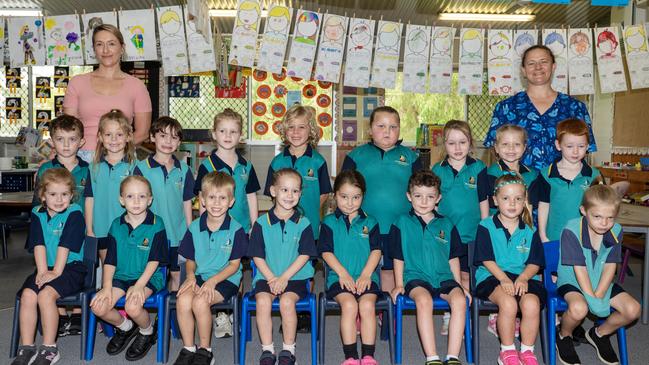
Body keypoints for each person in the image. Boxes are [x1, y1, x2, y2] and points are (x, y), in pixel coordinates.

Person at [342, 106, 423, 296]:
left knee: (389, 270)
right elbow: (344, 191)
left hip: (397, 226)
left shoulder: (410, 157)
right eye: (381, 126)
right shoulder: (356, 156)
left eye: (393, 127)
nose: (387, 131)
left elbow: (421, 190)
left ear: (400, 130)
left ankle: (386, 313)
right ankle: (361, 310)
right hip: (364, 226)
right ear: (370, 129)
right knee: (361, 268)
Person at [555, 185, 641, 365]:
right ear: (583, 211)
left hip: (600, 280)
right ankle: (564, 335)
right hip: (573, 280)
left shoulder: (616, 230)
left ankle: (599, 333)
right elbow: (579, 269)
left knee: (633, 310)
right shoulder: (571, 230)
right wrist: (591, 298)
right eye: (597, 217)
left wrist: (600, 294)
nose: (604, 223)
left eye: (610, 217)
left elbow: (611, 265)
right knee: (579, 309)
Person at [390, 170, 469, 365]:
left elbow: (453, 258)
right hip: (415, 277)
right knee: (424, 301)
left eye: (430, 196)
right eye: (418, 196)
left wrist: (459, 285)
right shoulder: (401, 223)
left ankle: (452, 357)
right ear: (409, 196)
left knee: (459, 300)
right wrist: (399, 284)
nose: (424, 201)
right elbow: (398, 256)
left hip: (443, 277)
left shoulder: (447, 224)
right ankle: (432, 357)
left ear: (438, 198)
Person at [11, 168, 86, 365]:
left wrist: (56, 272)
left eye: (64, 194)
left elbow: (65, 246)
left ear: (71, 195)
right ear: (43, 196)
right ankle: (26, 347)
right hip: (47, 267)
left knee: (45, 295)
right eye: (53, 194)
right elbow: (39, 245)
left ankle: (50, 348)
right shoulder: (37, 213)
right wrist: (43, 271)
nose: (59, 199)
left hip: (71, 268)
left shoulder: (75, 213)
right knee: (28, 294)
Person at [89, 176, 168, 361]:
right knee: (98, 307)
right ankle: (125, 327)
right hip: (121, 276)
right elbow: (110, 260)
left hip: (148, 277)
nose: (136, 201)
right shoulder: (116, 225)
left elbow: (155, 260)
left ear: (150, 199)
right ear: (121, 200)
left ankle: (147, 331)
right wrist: (106, 286)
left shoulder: (157, 224)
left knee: (132, 306)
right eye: (130, 196)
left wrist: (140, 285)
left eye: (142, 196)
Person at [172, 172, 248, 365]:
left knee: (199, 302)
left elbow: (234, 265)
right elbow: (190, 259)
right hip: (199, 275)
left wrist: (213, 281)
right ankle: (189, 348)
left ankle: (206, 351)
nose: (216, 203)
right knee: (183, 300)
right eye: (211, 197)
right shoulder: (195, 227)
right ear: (203, 200)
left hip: (226, 279)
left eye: (222, 198)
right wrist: (190, 276)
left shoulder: (237, 230)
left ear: (231, 201)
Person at [485, 45, 596, 170]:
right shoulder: (506, 107)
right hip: (519, 184)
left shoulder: (575, 107)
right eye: (531, 63)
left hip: (562, 184)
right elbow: (494, 150)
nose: (538, 67)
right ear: (523, 70)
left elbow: (586, 149)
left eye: (544, 62)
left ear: (553, 66)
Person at [473, 172, 546, 365]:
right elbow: (486, 259)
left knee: (531, 304)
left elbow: (535, 263)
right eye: (506, 198)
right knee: (509, 304)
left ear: (524, 202)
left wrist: (523, 278)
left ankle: (528, 350)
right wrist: (504, 279)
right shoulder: (485, 226)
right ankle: (507, 350)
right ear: (496, 200)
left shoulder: (530, 231)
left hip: (524, 276)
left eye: (518, 199)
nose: (512, 203)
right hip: (492, 276)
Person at [248, 168, 318, 365]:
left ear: (300, 194)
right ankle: (267, 350)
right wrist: (272, 278)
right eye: (284, 190)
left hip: (295, 278)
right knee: (263, 302)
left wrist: (284, 277)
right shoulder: (261, 224)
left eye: (295, 191)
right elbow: (257, 256)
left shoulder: (304, 223)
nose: (290, 195)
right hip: (266, 276)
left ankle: (288, 350)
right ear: (273, 191)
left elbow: (305, 255)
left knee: (287, 302)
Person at [32, 115, 90, 337]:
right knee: (53, 270)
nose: (66, 145)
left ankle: (76, 315)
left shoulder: (87, 170)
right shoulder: (46, 169)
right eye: (60, 139)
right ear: (52, 142)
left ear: (81, 142)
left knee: (74, 272)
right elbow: (37, 207)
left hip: (78, 235)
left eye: (72, 139)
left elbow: (91, 203)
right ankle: (59, 316)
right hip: (51, 236)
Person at [480, 124, 538, 338]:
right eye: (505, 144)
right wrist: (487, 226)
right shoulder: (488, 174)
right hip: (497, 229)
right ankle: (500, 311)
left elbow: (532, 206)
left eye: (516, 144)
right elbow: (485, 205)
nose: (511, 149)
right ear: (496, 147)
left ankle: (519, 314)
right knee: (498, 268)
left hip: (521, 229)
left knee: (521, 265)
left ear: (524, 148)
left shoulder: (533, 175)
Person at [319, 170, 382, 365]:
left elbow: (376, 251)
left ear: (363, 196)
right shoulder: (329, 222)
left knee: (367, 305)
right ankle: (351, 357)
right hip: (339, 279)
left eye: (356, 197)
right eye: (344, 197)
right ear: (335, 195)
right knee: (349, 305)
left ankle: (368, 355)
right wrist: (342, 274)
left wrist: (365, 275)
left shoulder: (371, 222)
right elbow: (326, 252)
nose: (350, 202)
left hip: (366, 278)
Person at [63, 24, 151, 162]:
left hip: (121, 157)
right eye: (99, 44)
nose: (105, 50)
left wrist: (115, 149)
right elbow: (66, 127)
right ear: (94, 49)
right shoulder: (77, 82)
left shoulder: (137, 86)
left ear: (122, 48)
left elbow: (143, 133)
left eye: (111, 44)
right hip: (81, 158)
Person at [432, 120, 488, 334]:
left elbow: (483, 200)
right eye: (452, 143)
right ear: (444, 144)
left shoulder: (479, 168)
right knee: (449, 277)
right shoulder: (438, 170)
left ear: (470, 143)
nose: (457, 148)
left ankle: (464, 315)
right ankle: (449, 314)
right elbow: (432, 202)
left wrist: (484, 228)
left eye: (462, 142)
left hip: (471, 235)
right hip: (445, 237)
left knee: (466, 276)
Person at [134, 117, 195, 291]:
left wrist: (190, 231)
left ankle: (173, 317)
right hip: (152, 235)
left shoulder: (184, 170)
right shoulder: (141, 168)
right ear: (152, 137)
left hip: (178, 234)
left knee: (177, 276)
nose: (168, 141)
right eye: (163, 135)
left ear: (179, 142)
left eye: (174, 137)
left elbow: (187, 201)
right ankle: (160, 317)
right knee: (156, 276)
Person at [264, 104, 332, 239]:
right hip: (281, 226)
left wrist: (309, 211)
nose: (296, 132)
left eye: (301, 127)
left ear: (311, 130)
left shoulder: (318, 161)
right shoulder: (277, 162)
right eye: (291, 127)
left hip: (309, 226)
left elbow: (324, 194)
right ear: (284, 130)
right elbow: (272, 194)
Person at [537, 118, 602, 243]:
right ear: (558, 145)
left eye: (581, 146)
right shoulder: (546, 175)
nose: (576, 151)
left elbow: (601, 207)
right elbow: (544, 205)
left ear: (588, 146)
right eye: (570, 146)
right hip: (554, 238)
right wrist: (543, 235)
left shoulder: (594, 175)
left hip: (585, 239)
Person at [195, 108, 260, 233]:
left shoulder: (247, 167)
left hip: (243, 230)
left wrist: (255, 226)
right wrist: (204, 229)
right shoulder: (207, 167)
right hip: (216, 231)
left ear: (240, 136)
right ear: (214, 134)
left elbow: (251, 197)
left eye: (233, 131)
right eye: (222, 131)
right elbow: (202, 199)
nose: (228, 135)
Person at [84, 109, 136, 262]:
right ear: (100, 136)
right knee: (108, 270)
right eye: (108, 134)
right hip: (101, 229)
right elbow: (89, 199)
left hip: (127, 229)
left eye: (119, 134)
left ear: (128, 137)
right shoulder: (93, 167)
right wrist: (89, 229)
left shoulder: (134, 167)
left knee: (125, 270)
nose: (114, 139)